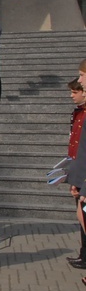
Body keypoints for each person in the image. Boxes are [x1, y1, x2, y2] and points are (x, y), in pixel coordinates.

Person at [65, 78, 86, 269]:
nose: (72, 96)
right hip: (79, 174)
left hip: (83, 177)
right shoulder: (79, 113)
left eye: (74, 92)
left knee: (84, 216)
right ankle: (84, 254)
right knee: (82, 218)